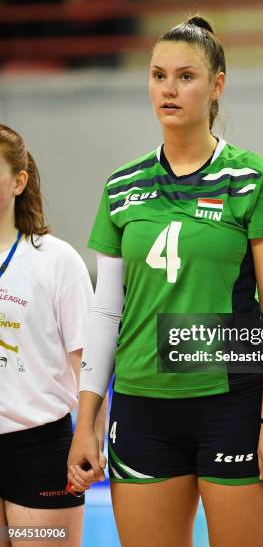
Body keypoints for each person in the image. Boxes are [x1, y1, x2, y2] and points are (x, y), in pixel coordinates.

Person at [68, 16, 263, 547]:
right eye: (157, 75)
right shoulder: (123, 185)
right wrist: (87, 418)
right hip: (142, 407)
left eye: (186, 77)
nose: (168, 90)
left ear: (218, 85)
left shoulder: (255, 180)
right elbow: (106, 313)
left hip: (233, 406)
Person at [0, 124, 98, 547]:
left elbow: (89, 364)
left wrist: (90, 435)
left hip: (38, 450)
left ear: (19, 182)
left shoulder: (56, 261)